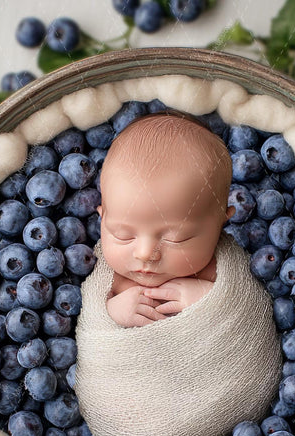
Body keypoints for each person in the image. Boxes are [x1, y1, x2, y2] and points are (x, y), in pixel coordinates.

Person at [96, 112, 235, 327]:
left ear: (222, 222)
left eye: (176, 239)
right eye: (122, 235)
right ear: (102, 218)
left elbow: (252, 310)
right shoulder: (106, 278)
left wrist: (213, 301)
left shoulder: (221, 272)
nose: (145, 254)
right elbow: (88, 323)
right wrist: (111, 312)